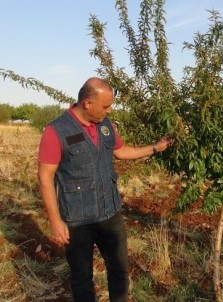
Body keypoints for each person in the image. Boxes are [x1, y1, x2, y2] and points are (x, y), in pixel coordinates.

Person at [38, 77, 173, 302]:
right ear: (87, 103)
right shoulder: (56, 131)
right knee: (82, 279)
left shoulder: (105, 126)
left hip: (110, 214)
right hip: (77, 220)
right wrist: (55, 220)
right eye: (106, 106)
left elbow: (122, 151)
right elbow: (45, 176)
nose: (110, 111)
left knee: (119, 270)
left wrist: (155, 148)